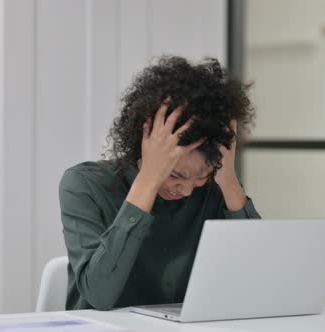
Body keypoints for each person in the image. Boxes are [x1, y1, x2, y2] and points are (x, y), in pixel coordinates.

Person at [59, 56, 261, 310]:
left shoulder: (217, 188)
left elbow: (259, 281)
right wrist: (149, 181)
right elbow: (99, 295)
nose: (186, 189)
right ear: (145, 144)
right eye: (176, 175)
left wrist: (229, 181)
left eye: (201, 177)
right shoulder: (85, 185)